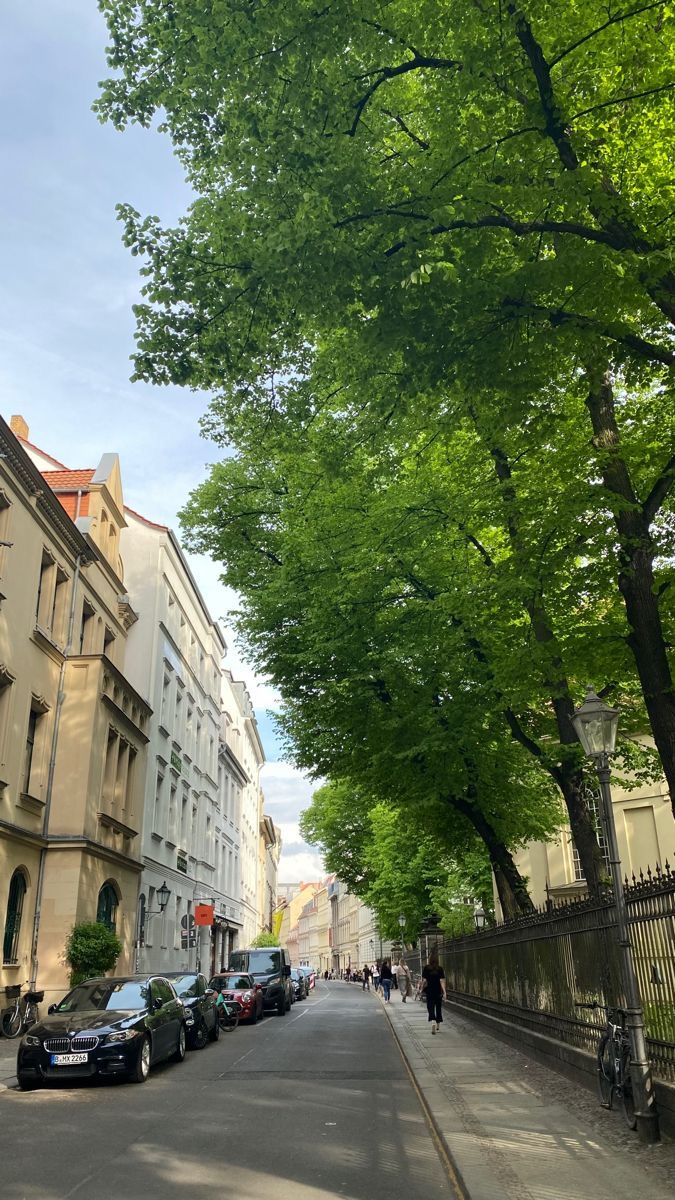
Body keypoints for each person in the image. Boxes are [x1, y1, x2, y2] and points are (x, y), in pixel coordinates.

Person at [421, 950, 446, 1034]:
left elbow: (424, 981)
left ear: (430, 959)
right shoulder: (440, 969)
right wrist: (444, 992)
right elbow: (442, 981)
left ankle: (433, 1021)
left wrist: (421, 988)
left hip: (430, 990)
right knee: (438, 1007)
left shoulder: (426, 968)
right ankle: (438, 1026)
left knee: (430, 1006)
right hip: (438, 990)